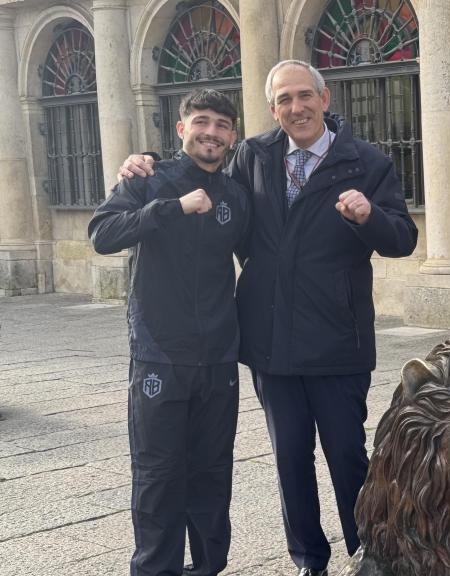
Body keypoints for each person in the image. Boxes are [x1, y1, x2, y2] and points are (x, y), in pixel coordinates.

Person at [119, 60, 418, 576]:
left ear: (325, 100)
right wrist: (145, 164)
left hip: (337, 335)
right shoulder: (254, 155)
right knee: (289, 458)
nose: (296, 108)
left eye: (305, 96)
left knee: (348, 452)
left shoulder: (365, 162)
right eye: (284, 100)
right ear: (272, 108)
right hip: (270, 336)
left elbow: (403, 238)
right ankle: (309, 557)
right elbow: (207, 180)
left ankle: (371, 548)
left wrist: (369, 216)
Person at [90, 88, 247, 576]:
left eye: (222, 125)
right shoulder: (149, 178)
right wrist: (170, 208)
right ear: (182, 129)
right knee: (158, 478)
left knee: (212, 475)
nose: (211, 133)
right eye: (202, 121)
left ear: (232, 136)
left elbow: (260, 260)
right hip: (160, 357)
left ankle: (208, 568)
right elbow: (102, 233)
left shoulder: (237, 195)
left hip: (218, 360)